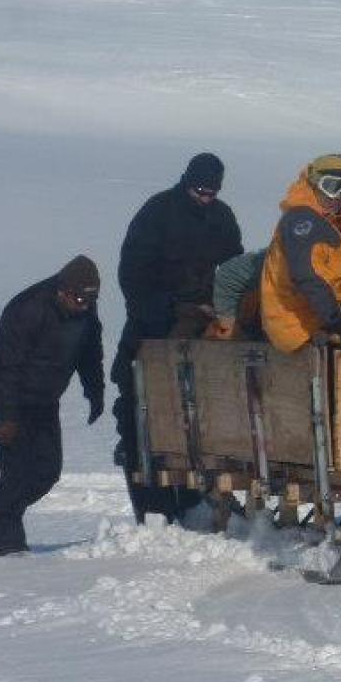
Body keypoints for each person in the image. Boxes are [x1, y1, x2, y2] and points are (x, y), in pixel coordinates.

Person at [110, 152, 243, 522]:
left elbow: (234, 269)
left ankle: (197, 500)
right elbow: (132, 274)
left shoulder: (222, 217)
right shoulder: (157, 212)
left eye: (212, 191)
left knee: (205, 409)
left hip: (206, 326)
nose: (205, 197)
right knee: (143, 408)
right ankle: (152, 503)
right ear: (187, 181)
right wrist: (167, 310)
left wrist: (222, 309)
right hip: (152, 326)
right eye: (200, 190)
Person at [0, 257, 105, 556]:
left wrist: (95, 392)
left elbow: (90, 353)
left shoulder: (84, 311)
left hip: (45, 399)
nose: (85, 305)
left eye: (91, 299)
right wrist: (6, 418)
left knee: (46, 471)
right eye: (80, 298)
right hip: (10, 397)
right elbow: (6, 367)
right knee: (16, 471)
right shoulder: (27, 308)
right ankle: (7, 546)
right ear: (63, 290)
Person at [259, 154, 341, 355]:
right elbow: (307, 274)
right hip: (296, 326)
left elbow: (339, 280)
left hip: (315, 318)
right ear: (314, 184)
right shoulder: (304, 221)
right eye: (331, 186)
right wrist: (336, 322)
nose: (338, 196)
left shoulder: (332, 224)